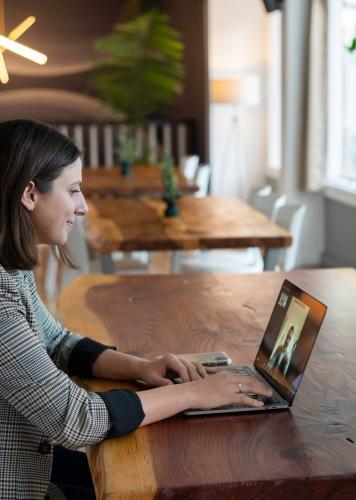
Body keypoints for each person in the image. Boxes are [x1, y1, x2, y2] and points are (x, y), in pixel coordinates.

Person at [0, 119, 272, 500]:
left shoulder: (11, 269)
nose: (82, 207)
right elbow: (74, 419)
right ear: (30, 194)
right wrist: (195, 395)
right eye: (73, 190)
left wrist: (142, 367)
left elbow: (58, 341)